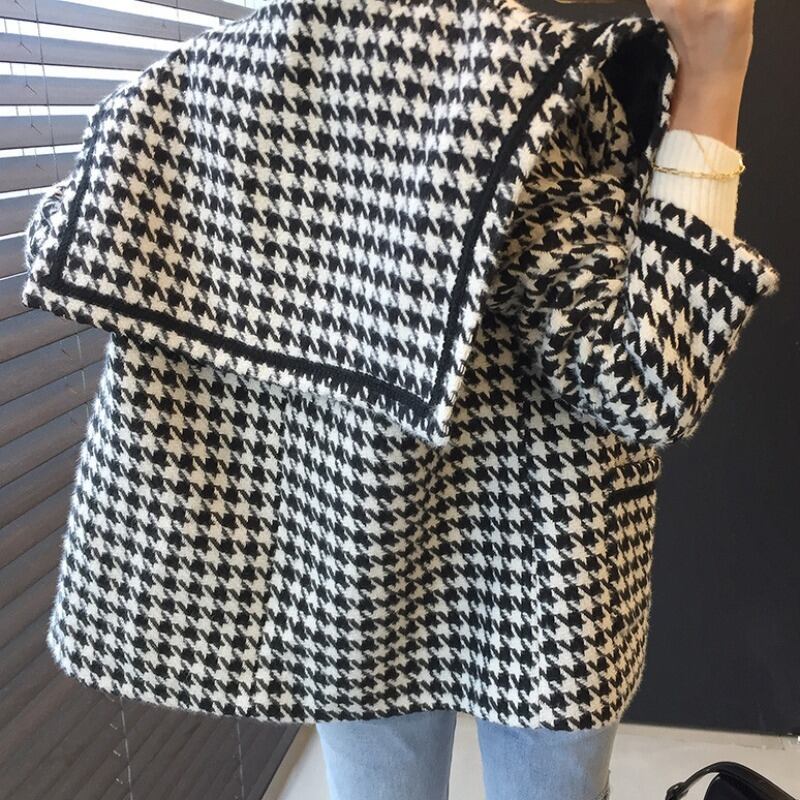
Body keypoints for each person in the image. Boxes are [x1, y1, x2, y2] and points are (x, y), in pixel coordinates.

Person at [315, 1, 757, 799]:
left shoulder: (253, 82)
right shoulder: (528, 82)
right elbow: (648, 380)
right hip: (551, 547)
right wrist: (715, 68)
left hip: (356, 527)